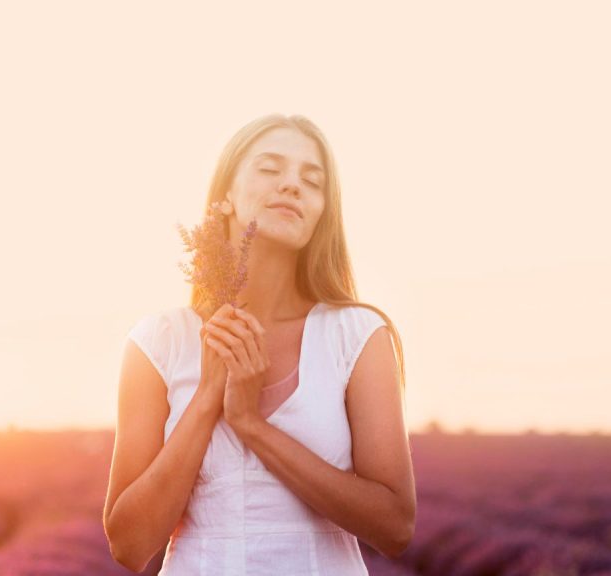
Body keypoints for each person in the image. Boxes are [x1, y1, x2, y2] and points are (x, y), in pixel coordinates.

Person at [103, 113, 415, 575]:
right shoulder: (159, 343)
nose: (291, 185)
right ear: (226, 196)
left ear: (321, 214)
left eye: (312, 181)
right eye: (270, 168)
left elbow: (395, 527)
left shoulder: (357, 335)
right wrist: (208, 396)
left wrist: (251, 425)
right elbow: (129, 545)